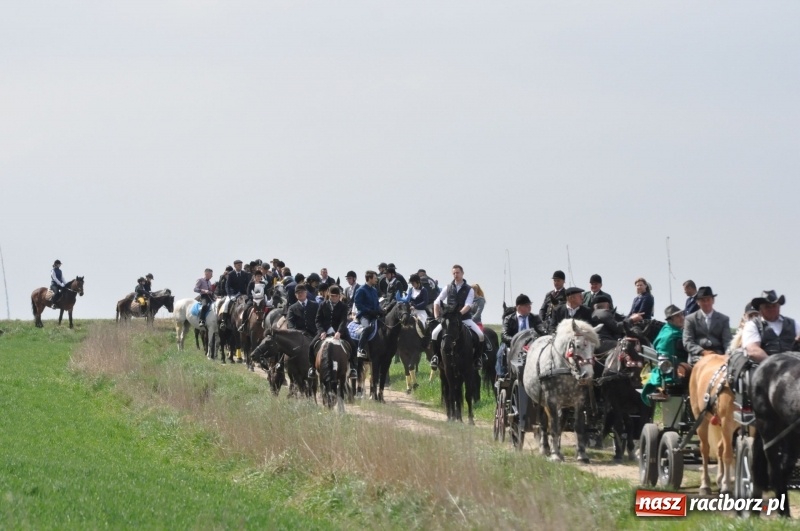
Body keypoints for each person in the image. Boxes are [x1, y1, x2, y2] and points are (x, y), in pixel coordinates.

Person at [430, 265, 490, 370]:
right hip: (449, 319)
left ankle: (478, 359)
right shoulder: (447, 287)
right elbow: (437, 302)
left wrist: (458, 314)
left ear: (462, 273)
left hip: (465, 318)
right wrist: (437, 316)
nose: (455, 275)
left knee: (480, 335)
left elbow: (468, 304)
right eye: (454, 273)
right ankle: (436, 357)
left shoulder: (469, 289)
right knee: (435, 333)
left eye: (457, 273)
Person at [642, 305, 687, 403]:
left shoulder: (669, 330)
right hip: (674, 371)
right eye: (678, 316)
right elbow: (666, 354)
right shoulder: (670, 335)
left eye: (682, 315)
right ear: (670, 320)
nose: (682, 318)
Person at [308, 286, 355, 379]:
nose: (334, 298)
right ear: (329, 295)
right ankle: (312, 368)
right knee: (311, 346)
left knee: (353, 345)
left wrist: (339, 332)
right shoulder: (322, 305)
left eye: (336, 296)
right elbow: (318, 320)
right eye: (332, 296)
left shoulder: (343, 306)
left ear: (339, 296)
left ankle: (353, 368)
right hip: (325, 331)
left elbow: (343, 321)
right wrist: (322, 331)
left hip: (339, 331)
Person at [743, 290, 800, 363]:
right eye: (767, 307)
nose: (771, 309)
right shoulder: (752, 325)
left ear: (779, 307)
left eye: (774, 306)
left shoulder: (794, 324)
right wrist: (774, 364)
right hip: (763, 367)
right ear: (760, 309)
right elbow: (753, 350)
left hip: (793, 365)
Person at [497, 294, 546, 378]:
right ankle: (502, 373)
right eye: (526, 305)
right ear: (518, 307)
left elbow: (541, 330)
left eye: (529, 305)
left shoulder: (535, 318)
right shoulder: (509, 319)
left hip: (531, 344)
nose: (529, 307)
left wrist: (546, 334)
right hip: (513, 344)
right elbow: (504, 335)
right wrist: (515, 341)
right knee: (502, 351)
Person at [682, 286, 732, 366]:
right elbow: (687, 341)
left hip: (719, 356)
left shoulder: (724, 319)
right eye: (702, 300)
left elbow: (727, 341)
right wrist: (703, 352)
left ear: (713, 300)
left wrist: (728, 355)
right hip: (697, 357)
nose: (706, 303)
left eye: (708, 300)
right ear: (698, 302)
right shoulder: (690, 319)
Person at [353, 270, 381, 358]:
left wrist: (380, 311)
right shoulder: (361, 290)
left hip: (374, 315)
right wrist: (369, 311)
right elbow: (358, 304)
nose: (377, 279)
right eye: (375, 278)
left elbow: (376, 303)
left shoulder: (374, 290)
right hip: (364, 315)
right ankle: (359, 349)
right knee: (367, 327)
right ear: (369, 279)